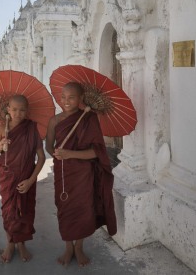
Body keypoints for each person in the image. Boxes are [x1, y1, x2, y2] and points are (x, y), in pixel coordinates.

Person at [45, 81, 116, 266]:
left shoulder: (89, 119)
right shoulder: (55, 121)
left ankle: (79, 247)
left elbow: (97, 152)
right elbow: (48, 145)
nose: (66, 101)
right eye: (63, 97)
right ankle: (69, 246)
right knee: (65, 208)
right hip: (63, 172)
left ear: (81, 99)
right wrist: (55, 152)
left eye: (71, 97)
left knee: (83, 209)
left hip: (83, 173)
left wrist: (70, 154)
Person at [0, 94, 46, 263]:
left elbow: (41, 157)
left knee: (25, 212)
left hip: (26, 179)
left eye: (22, 110)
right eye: (14, 109)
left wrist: (30, 180)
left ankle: (21, 244)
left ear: (27, 111)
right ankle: (10, 244)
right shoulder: (1, 128)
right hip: (8, 178)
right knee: (9, 212)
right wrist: (1, 145)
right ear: (8, 110)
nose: (18, 113)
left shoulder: (31, 129)